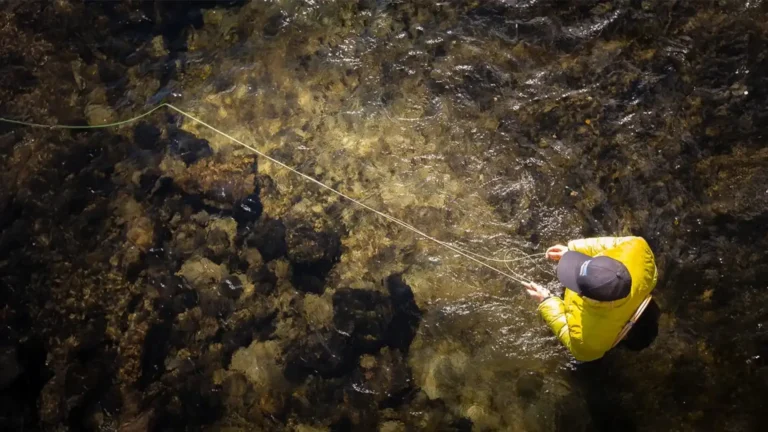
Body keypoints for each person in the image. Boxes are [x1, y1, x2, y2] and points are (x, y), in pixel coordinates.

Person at [523, 236, 658, 362]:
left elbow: (570, 338)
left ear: (586, 296)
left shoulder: (587, 343)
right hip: (641, 303)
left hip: (611, 332)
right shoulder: (639, 249)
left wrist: (547, 300)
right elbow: (613, 245)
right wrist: (572, 250)